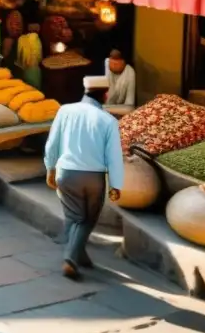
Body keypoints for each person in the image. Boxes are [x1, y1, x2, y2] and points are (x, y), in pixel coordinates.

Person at [44, 76, 124, 281]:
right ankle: (70, 259)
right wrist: (115, 184)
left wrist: (50, 168)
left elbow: (52, 143)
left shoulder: (65, 110)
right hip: (94, 178)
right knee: (86, 219)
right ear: (105, 94)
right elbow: (114, 156)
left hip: (66, 173)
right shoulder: (109, 121)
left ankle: (80, 254)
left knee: (73, 216)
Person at [104, 50, 136, 116]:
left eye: (116, 64)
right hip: (106, 106)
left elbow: (129, 107)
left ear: (123, 62)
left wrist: (104, 109)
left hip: (121, 109)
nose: (113, 65)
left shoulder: (130, 73)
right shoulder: (107, 63)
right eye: (111, 62)